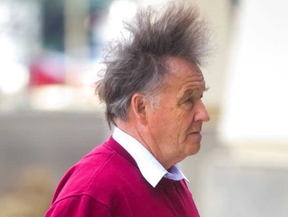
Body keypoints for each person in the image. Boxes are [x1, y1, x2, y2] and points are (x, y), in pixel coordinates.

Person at [44, 1, 211, 217]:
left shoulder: (168, 180)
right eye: (188, 100)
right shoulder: (93, 192)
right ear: (141, 107)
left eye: (200, 97)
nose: (204, 114)